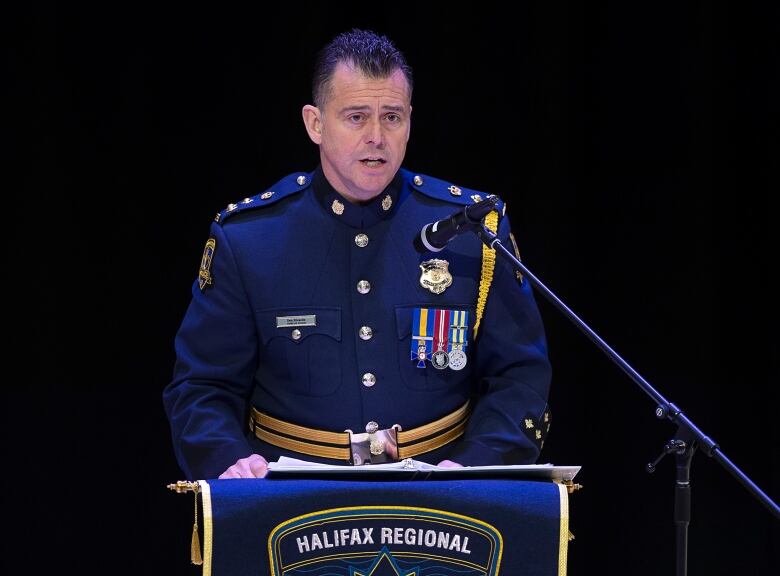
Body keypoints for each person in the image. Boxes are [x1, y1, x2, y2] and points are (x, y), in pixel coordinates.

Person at [163, 29, 552, 480]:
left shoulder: (471, 231)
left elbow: (519, 377)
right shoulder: (250, 238)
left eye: (392, 117)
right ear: (315, 123)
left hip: (442, 499)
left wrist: (469, 468)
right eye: (356, 117)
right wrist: (230, 463)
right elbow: (201, 388)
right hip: (289, 502)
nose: (376, 137)